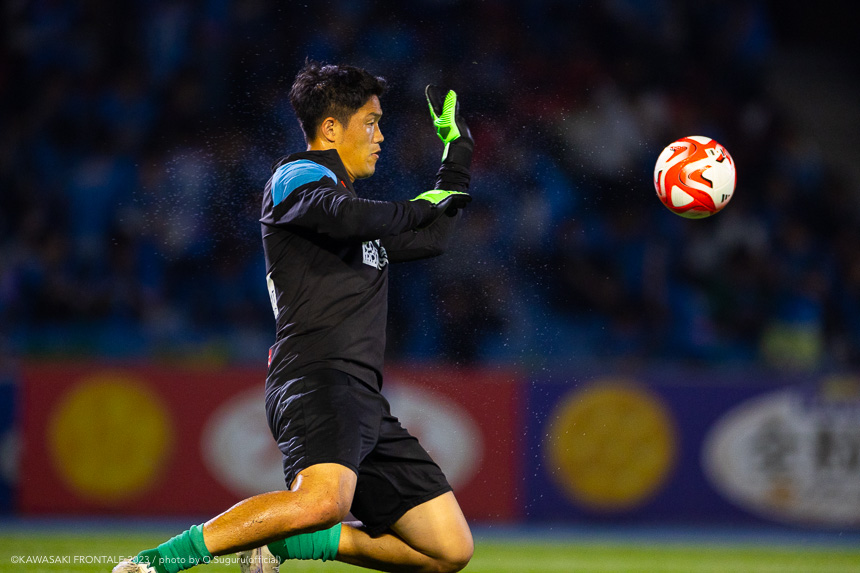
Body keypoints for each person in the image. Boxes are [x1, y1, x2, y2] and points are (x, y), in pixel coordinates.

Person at [113, 61, 476, 573]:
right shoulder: (297, 175)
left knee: (447, 550)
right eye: (371, 123)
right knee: (322, 502)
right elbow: (354, 216)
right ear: (330, 128)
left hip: (362, 395)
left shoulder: (347, 208)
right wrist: (424, 203)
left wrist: (458, 154)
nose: (380, 136)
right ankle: (155, 563)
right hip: (317, 377)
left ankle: (284, 544)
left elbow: (430, 237)